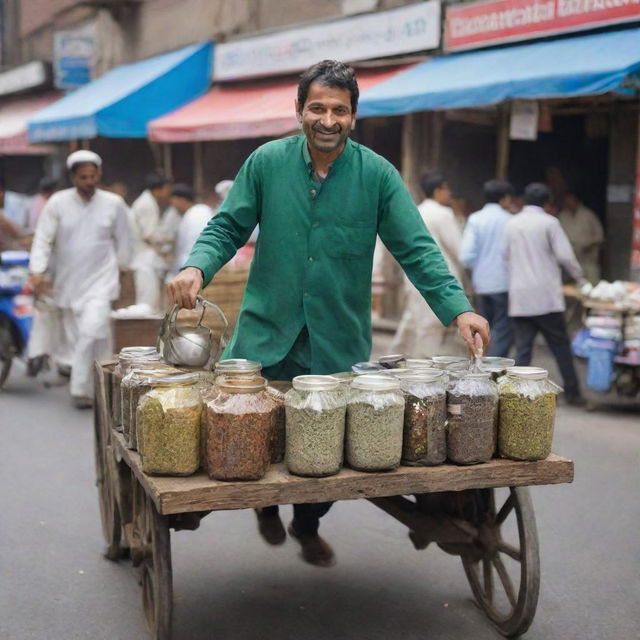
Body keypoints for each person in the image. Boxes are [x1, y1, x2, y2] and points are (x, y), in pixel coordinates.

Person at [167, 60, 489, 568]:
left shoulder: (378, 175)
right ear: (299, 111)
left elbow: (418, 250)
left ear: (354, 116)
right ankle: (265, 506)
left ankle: (307, 521)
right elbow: (227, 226)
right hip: (265, 338)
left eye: (339, 110)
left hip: (336, 343)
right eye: (317, 107)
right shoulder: (266, 163)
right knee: (255, 441)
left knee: (328, 455)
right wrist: (195, 268)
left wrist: (459, 310)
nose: (328, 119)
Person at [29, 150, 131, 409]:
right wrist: (37, 270)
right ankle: (102, 388)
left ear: (99, 175)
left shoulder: (113, 204)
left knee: (90, 331)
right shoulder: (57, 203)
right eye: (83, 176)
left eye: (92, 176)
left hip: (102, 282)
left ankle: (78, 389)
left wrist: (124, 274)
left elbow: (124, 242)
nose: (89, 181)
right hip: (68, 284)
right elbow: (43, 239)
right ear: (73, 177)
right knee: (91, 338)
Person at [504, 182, 586, 405]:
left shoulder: (512, 223)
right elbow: (565, 256)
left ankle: (517, 396)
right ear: (548, 202)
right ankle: (573, 393)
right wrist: (581, 278)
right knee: (560, 347)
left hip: (520, 296)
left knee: (523, 350)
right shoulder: (550, 223)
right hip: (546, 297)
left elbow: (505, 257)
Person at [390, 171, 467, 357]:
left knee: (412, 323)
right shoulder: (443, 214)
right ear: (438, 190)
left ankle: (394, 363)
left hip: (413, 277)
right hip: (439, 275)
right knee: (430, 328)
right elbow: (459, 249)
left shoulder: (414, 210)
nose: (448, 193)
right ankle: (424, 371)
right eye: (446, 189)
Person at [460, 179, 515, 357]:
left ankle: (478, 369)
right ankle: (493, 372)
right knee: (503, 331)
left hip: (481, 284)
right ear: (505, 199)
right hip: (504, 283)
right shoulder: (511, 220)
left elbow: (465, 256)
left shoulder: (475, 219)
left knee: (483, 330)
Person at [130, 172, 179, 312]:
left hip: (147, 259)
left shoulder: (148, 202)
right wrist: (170, 239)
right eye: (167, 189)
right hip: (144, 260)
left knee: (152, 302)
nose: (168, 193)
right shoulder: (147, 204)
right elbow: (150, 235)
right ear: (158, 189)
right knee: (147, 304)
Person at [166, 184, 213, 281]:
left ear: (181, 200)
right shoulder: (186, 215)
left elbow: (194, 243)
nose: (172, 204)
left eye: (173, 200)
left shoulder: (199, 213)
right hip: (189, 264)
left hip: (194, 265)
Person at [557, 193, 604, 285]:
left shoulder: (589, 215)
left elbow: (599, 236)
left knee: (592, 284)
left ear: (577, 202)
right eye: (566, 202)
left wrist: (589, 246)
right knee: (570, 288)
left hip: (588, 258)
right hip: (569, 260)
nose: (568, 204)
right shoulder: (562, 216)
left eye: (571, 201)